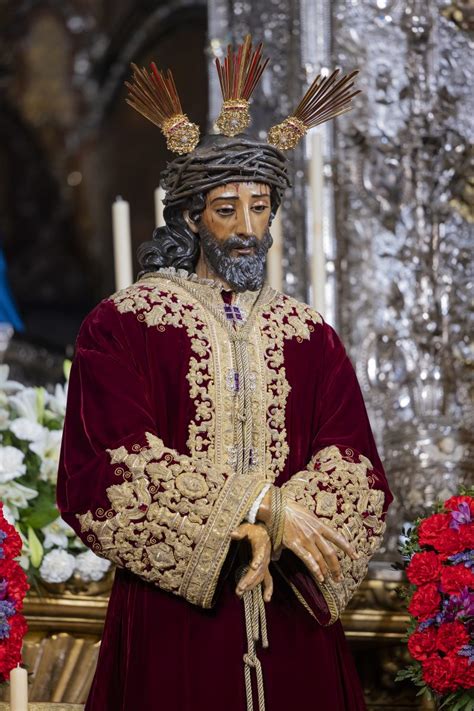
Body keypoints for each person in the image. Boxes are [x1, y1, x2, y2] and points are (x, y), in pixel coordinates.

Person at [57, 37, 392, 711]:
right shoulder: (123, 326)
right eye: (226, 208)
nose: (248, 228)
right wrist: (255, 504)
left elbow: (356, 465)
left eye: (260, 206)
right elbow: (104, 468)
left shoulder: (309, 335)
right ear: (189, 214)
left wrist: (285, 529)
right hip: (175, 617)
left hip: (291, 611)